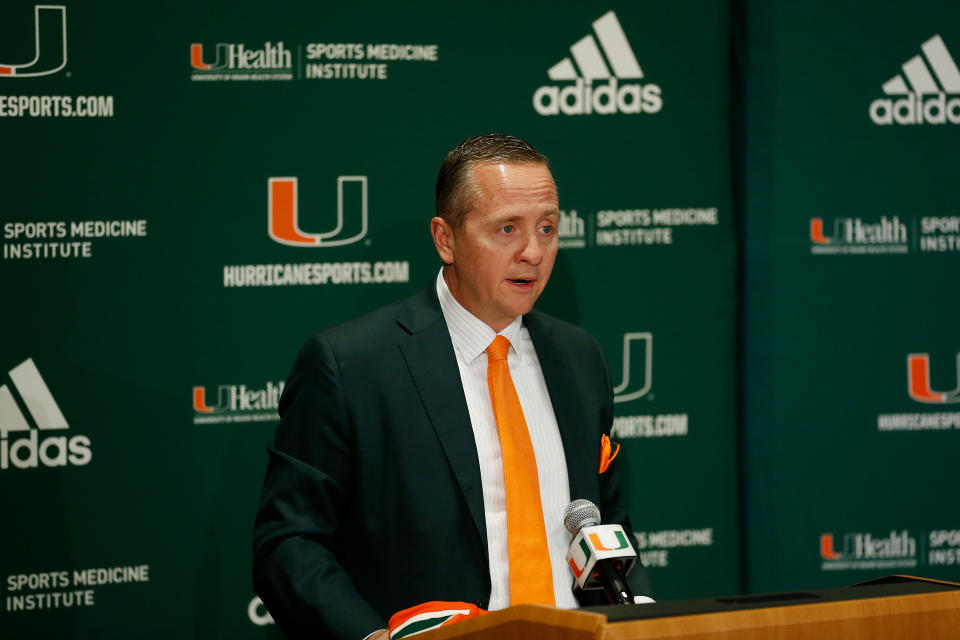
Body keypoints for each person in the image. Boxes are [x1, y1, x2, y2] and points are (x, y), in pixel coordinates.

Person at [253, 134, 652, 640]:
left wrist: (640, 612)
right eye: (507, 229)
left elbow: (604, 523)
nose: (533, 252)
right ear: (445, 238)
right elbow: (290, 542)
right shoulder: (350, 364)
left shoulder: (579, 357)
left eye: (547, 228)